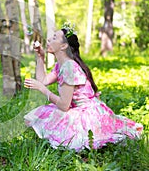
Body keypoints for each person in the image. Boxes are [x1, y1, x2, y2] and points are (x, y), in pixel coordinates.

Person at [24, 23, 143, 152]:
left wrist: (42, 89)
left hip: (88, 114)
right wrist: (40, 57)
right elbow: (43, 80)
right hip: (79, 109)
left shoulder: (69, 67)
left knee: (54, 118)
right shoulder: (62, 64)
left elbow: (64, 106)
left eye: (54, 38)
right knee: (44, 113)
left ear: (63, 46)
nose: (48, 40)